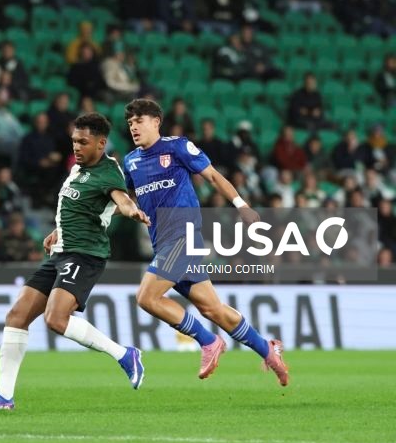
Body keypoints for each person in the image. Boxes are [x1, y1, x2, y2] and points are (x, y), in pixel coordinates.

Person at [0, 113, 151, 410]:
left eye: (83, 142)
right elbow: (80, 206)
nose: (76, 147)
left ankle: (124, 354)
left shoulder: (109, 171)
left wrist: (131, 210)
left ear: (101, 143)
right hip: (61, 252)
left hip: (85, 255)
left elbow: (121, 199)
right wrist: (58, 229)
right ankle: (4, 396)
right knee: (17, 316)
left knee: (55, 319)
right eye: (74, 141)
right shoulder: (78, 169)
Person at [121, 99, 289, 387]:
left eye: (139, 120)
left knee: (146, 298)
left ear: (156, 122)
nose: (134, 126)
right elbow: (124, 198)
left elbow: (212, 175)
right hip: (164, 243)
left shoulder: (177, 147)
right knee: (213, 309)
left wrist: (241, 204)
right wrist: (129, 209)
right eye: (130, 123)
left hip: (184, 237)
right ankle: (267, 349)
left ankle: (208, 341)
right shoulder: (130, 161)